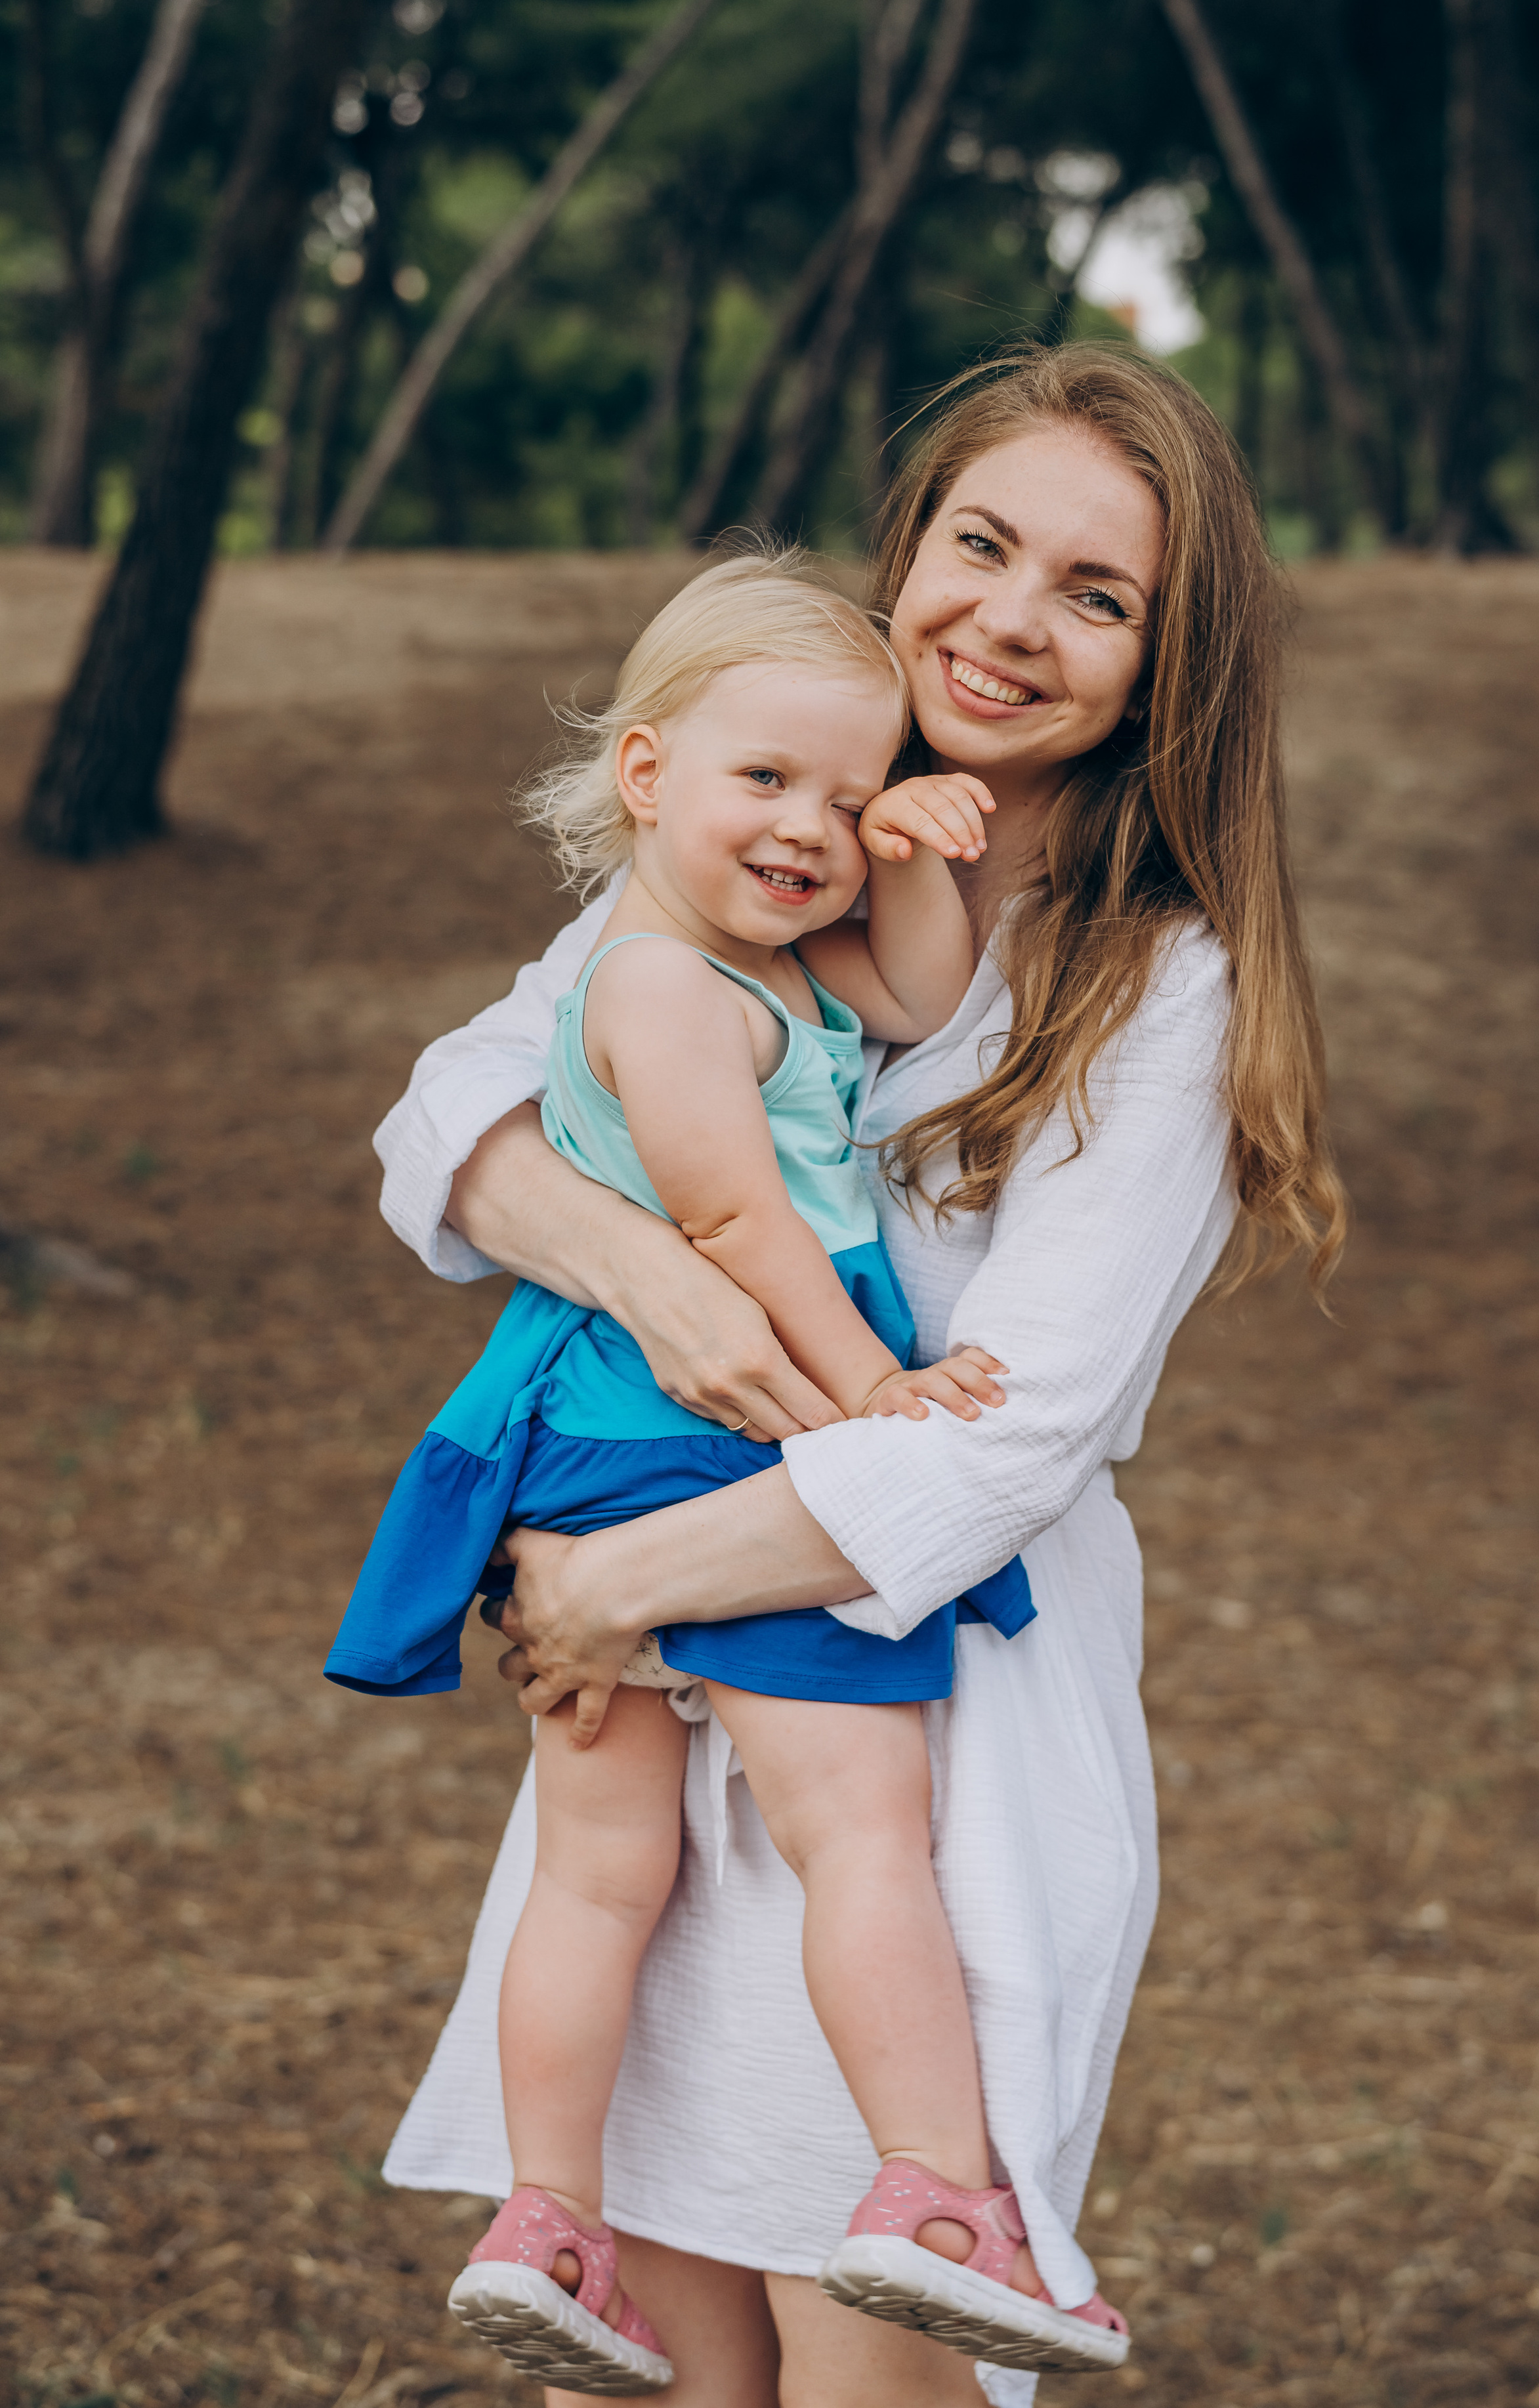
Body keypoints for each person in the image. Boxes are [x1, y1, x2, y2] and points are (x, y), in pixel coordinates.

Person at [372, 343, 1345, 2408]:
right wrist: (657, 1269)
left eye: (1098, 594)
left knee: (860, 2348)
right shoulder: (770, 831)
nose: (1007, 618)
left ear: (1176, 665)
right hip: (654, 1743)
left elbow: (1017, 1424)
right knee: (624, 2361)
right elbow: (454, 1116)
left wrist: (616, 1587)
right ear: (905, 553)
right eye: (979, 544)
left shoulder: (1161, 977)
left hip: (925, 1728)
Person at [327, 559, 1128, 2388]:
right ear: (642, 772)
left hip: (605, 1445)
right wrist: (879, 1405)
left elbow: (922, 999)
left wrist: (917, 852)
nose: (814, 832)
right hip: (710, 1436)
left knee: (600, 1875)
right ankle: (936, 2190)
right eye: (768, 783)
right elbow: (733, 1221)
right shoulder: (666, 990)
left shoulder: (748, 953)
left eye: (848, 800)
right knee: (862, 1829)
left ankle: (549, 2218)